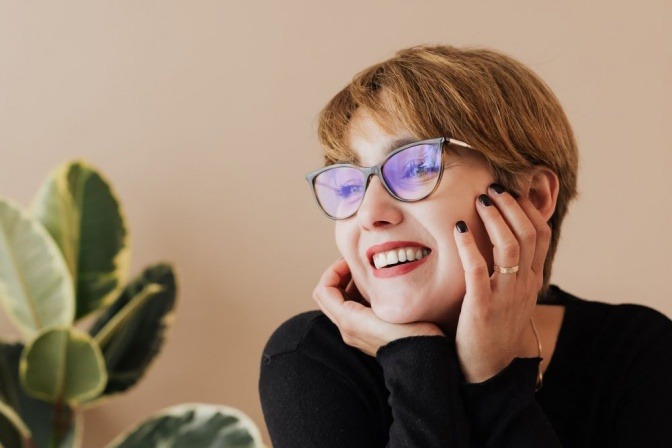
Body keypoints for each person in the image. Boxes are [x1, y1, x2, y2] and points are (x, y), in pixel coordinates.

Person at [258, 45, 672, 447]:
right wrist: (414, 359)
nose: (369, 213)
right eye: (348, 182)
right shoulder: (310, 358)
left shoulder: (638, 352)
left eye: (416, 166)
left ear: (533, 197)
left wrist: (493, 378)